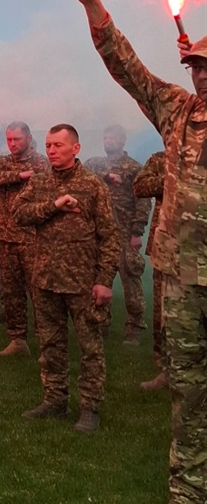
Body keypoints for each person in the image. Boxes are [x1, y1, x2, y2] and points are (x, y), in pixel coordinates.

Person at [69, 0, 206, 504]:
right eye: (197, 67)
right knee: (189, 391)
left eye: (205, 66)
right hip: (182, 278)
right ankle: (190, 502)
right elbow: (125, 65)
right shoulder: (176, 110)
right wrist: (93, 5)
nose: (200, 76)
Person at [14, 124, 121, 432]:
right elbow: (19, 214)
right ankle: (55, 400)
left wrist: (104, 279)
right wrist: (55, 205)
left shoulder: (92, 185)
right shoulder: (41, 182)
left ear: (75, 148)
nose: (52, 151)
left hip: (82, 282)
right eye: (48, 145)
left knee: (90, 348)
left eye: (58, 145)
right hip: (46, 279)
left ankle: (89, 408)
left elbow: (109, 236)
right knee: (50, 344)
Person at [0, 123, 49, 356]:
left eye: (17, 139)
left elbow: (45, 183)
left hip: (32, 236)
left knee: (38, 292)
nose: (13, 144)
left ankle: (46, 344)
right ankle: (18, 340)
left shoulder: (41, 162)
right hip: (6, 236)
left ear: (29, 137)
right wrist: (18, 176)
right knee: (10, 292)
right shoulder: (3, 161)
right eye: (9, 139)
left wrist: (23, 176)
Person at [83, 125, 150, 345]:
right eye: (105, 136)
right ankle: (101, 324)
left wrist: (137, 232)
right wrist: (106, 176)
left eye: (113, 137)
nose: (108, 140)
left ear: (123, 140)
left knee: (130, 280)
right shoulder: (96, 164)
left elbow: (143, 200)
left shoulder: (133, 168)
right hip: (99, 233)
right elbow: (80, 175)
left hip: (124, 232)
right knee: (99, 279)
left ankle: (134, 327)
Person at [133, 152, 168, 390]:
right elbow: (140, 186)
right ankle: (166, 369)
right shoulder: (160, 159)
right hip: (167, 248)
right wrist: (173, 179)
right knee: (163, 311)